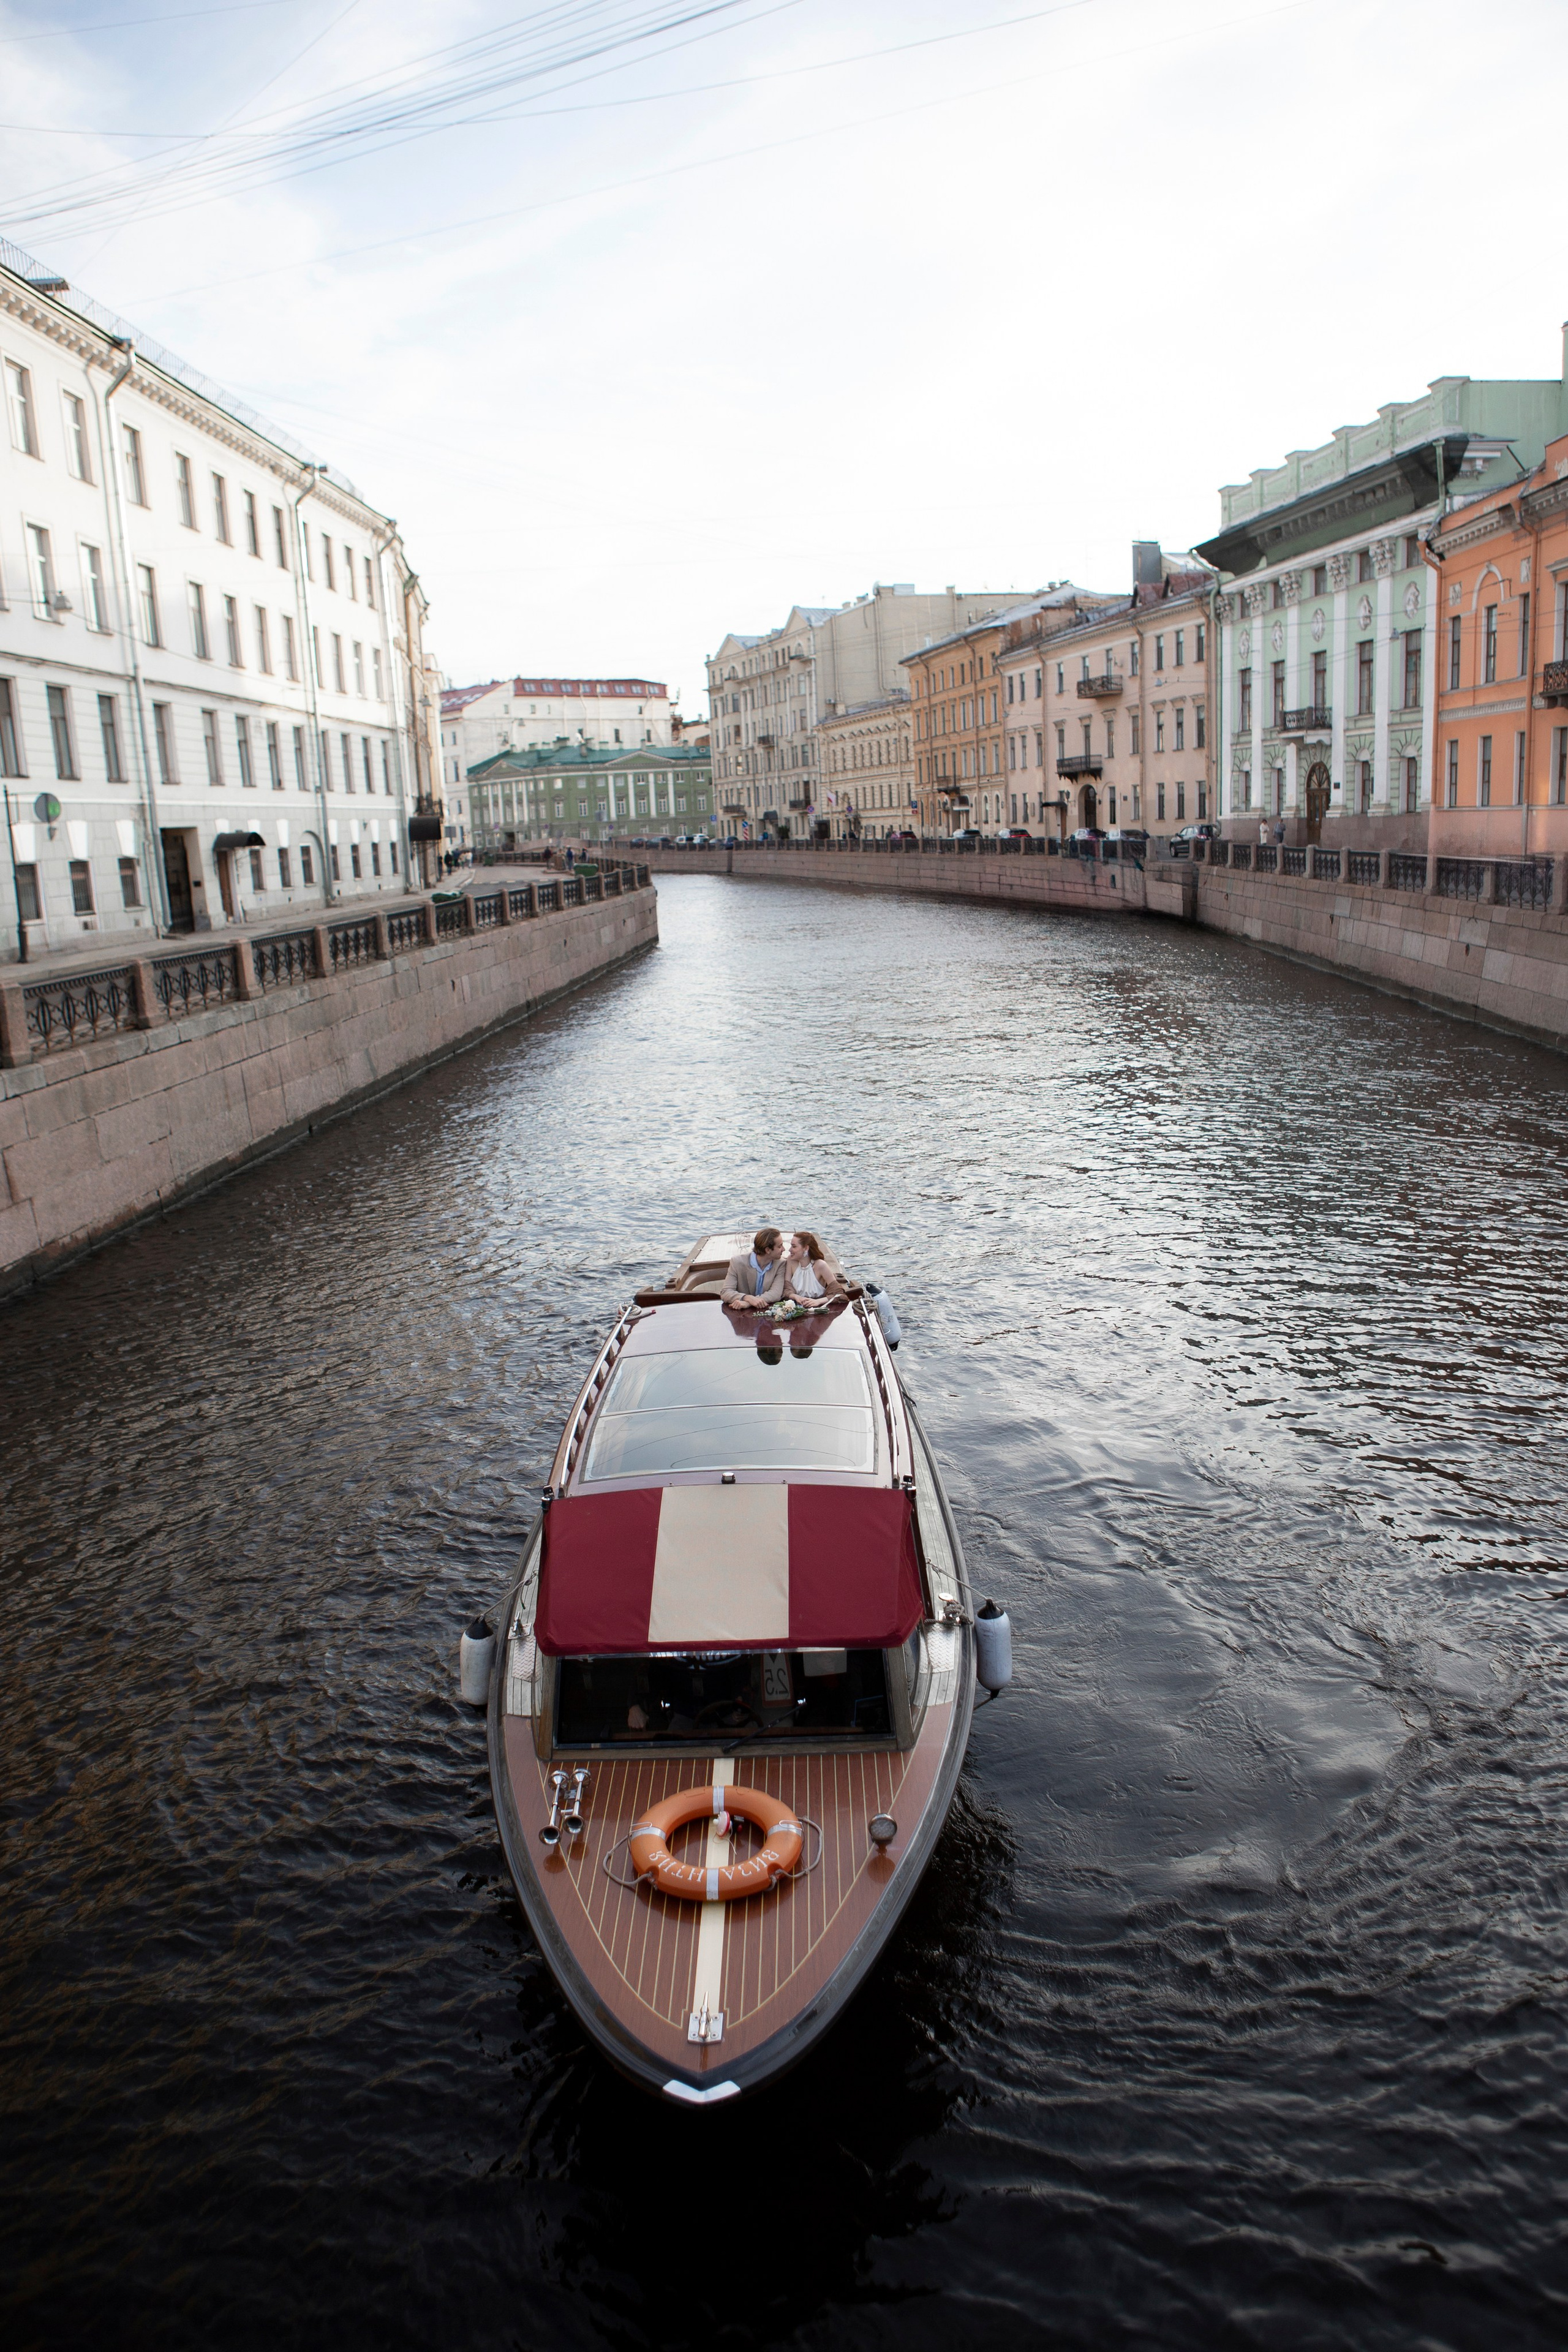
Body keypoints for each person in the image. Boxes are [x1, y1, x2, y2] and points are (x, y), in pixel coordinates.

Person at [722, 1227, 786, 1309]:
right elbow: (726, 1292)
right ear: (768, 1250)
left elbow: (775, 1294)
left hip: (766, 1312)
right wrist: (747, 1298)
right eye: (780, 1246)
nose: (784, 1249)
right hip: (742, 1315)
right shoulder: (737, 1262)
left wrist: (749, 1303)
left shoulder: (780, 1264)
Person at [783, 1229, 846, 1304]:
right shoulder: (791, 1260)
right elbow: (787, 1288)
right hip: (796, 1306)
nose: (790, 1250)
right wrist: (796, 1297)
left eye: (794, 1247)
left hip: (818, 1309)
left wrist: (818, 1302)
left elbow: (839, 1294)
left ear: (806, 1248)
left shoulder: (821, 1265)